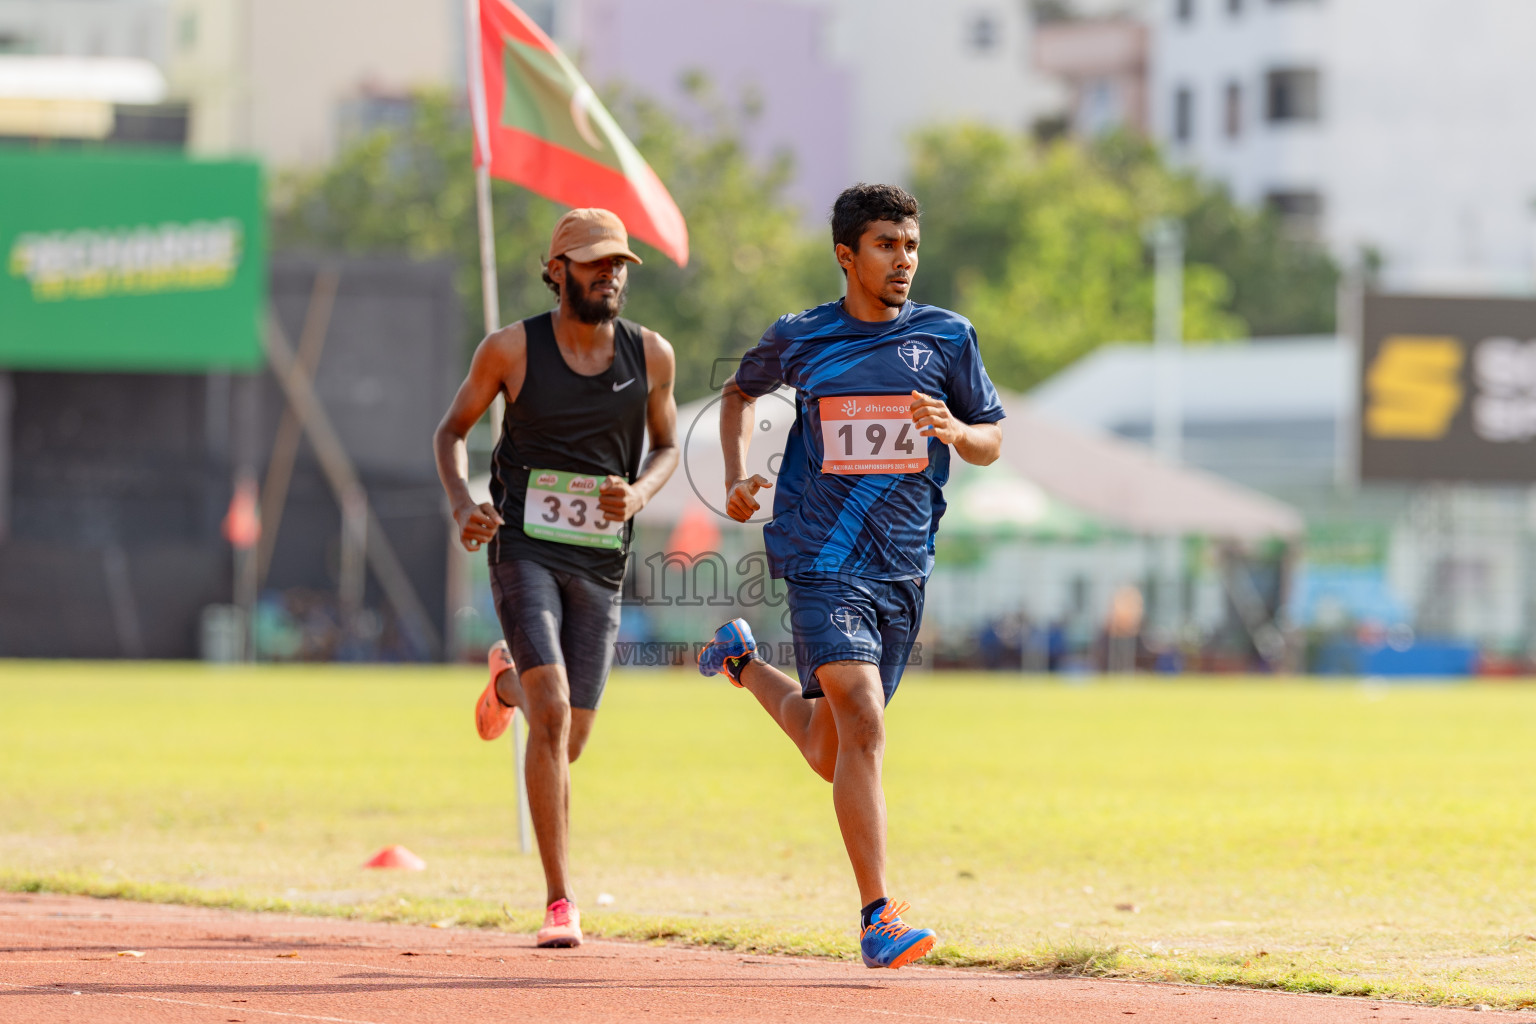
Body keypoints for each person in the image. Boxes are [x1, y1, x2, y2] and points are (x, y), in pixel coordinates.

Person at [698, 184, 1004, 969]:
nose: (903, 261)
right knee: (863, 717)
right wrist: (738, 474)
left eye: (910, 246)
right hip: (821, 556)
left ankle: (740, 662)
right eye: (885, 246)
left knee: (830, 747)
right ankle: (878, 914)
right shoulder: (802, 338)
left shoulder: (947, 337)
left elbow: (991, 442)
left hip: (903, 565)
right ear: (846, 255)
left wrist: (955, 429)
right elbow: (738, 394)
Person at [433, 208, 678, 948]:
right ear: (557, 270)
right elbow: (452, 431)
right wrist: (464, 504)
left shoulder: (652, 355)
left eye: (620, 266)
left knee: (565, 739)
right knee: (554, 710)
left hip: (601, 562)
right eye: (596, 263)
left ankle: (505, 681)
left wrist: (638, 493)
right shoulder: (511, 349)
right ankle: (560, 902)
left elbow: (666, 448)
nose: (610, 275)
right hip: (523, 548)